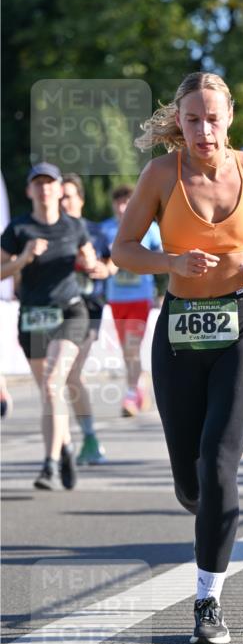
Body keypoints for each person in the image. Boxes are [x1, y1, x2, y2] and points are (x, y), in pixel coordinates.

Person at [111, 72, 243, 644]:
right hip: (180, 330)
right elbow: (122, 250)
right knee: (192, 482)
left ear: (230, 118)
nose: (204, 129)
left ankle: (207, 600)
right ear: (180, 120)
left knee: (219, 461)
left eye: (213, 118)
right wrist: (168, 262)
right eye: (192, 119)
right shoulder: (160, 174)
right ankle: (198, 497)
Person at [0, 163, 97, 489]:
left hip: (70, 312)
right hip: (32, 317)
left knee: (55, 380)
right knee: (49, 391)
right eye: (37, 184)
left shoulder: (74, 226)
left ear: (58, 189)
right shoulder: (18, 229)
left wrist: (94, 266)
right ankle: (66, 445)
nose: (44, 189)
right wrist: (24, 258)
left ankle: (49, 464)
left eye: (49, 183)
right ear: (29, 191)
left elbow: (92, 262)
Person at [60, 173, 115, 464]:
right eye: (59, 197)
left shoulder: (95, 231)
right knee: (57, 379)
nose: (63, 202)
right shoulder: (48, 231)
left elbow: (116, 257)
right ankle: (65, 442)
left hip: (89, 308)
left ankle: (88, 438)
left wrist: (105, 269)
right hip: (55, 309)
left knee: (69, 374)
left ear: (81, 199)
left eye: (68, 196)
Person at [100, 184, 162, 417]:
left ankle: (130, 395)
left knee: (131, 347)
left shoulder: (150, 229)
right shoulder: (105, 229)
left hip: (140, 296)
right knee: (127, 351)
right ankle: (139, 386)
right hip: (116, 298)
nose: (123, 207)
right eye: (119, 202)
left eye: (127, 202)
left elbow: (164, 256)